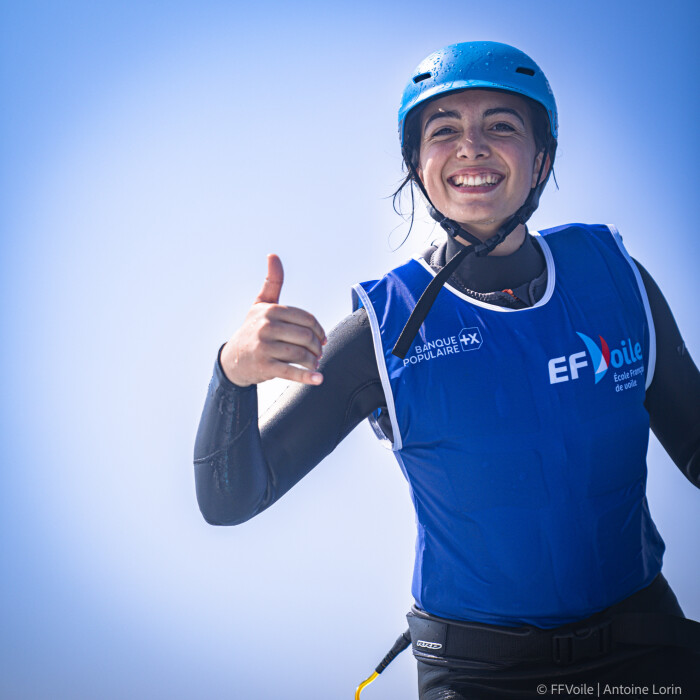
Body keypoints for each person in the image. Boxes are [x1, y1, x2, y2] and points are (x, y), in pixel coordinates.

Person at [194, 42, 700, 698]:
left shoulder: (615, 276)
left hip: (644, 650)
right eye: (444, 131)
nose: (472, 147)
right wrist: (232, 375)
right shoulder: (382, 330)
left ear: (541, 159)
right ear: (417, 164)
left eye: (501, 125)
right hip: (480, 675)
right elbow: (231, 500)